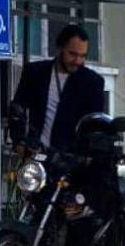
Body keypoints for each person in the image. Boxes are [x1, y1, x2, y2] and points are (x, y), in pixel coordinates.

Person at [9, 24, 105, 153]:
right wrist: (19, 141)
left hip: (71, 160)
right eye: (72, 54)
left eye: (83, 56)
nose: (77, 61)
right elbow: (18, 108)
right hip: (35, 154)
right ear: (60, 48)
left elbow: (94, 124)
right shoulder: (35, 72)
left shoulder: (93, 82)